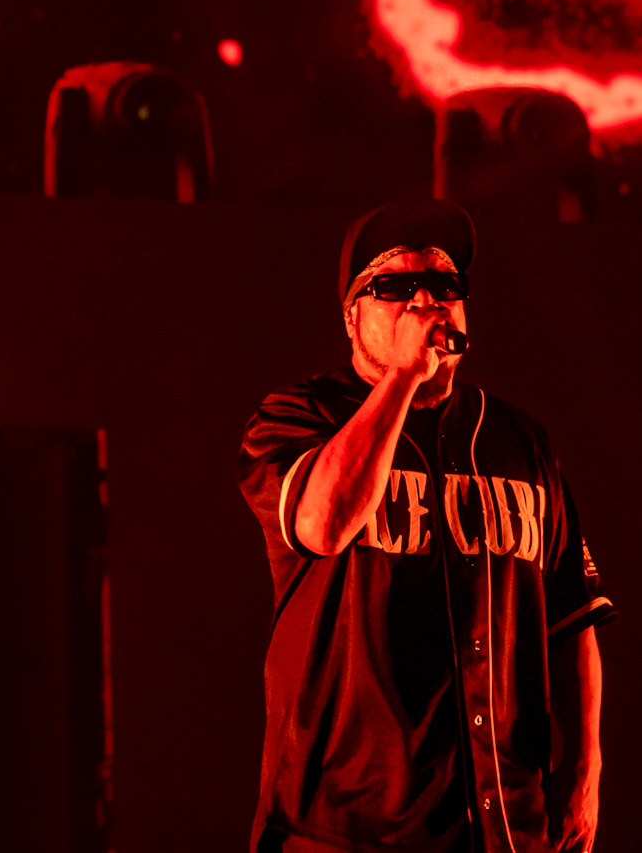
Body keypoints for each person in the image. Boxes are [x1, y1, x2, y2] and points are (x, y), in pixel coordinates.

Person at [239, 199, 613, 853]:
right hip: (346, 828)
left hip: (503, 826)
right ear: (352, 316)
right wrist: (405, 375)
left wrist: (585, 770)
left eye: (444, 285)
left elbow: (570, 618)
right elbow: (322, 523)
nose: (425, 301)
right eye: (393, 286)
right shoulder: (299, 416)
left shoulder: (518, 439)